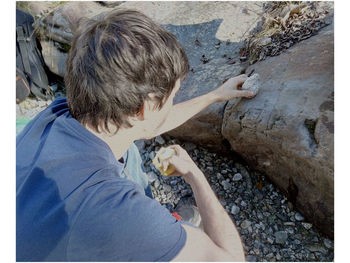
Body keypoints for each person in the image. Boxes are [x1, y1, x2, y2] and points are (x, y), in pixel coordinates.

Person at [16, 8, 256, 262]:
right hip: (107, 226)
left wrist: (214, 95)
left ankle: (165, 237)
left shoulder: (60, 115)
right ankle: (165, 237)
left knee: (127, 151)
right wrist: (194, 175)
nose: (172, 102)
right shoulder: (114, 209)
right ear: (146, 108)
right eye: (172, 96)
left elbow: (147, 125)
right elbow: (230, 259)